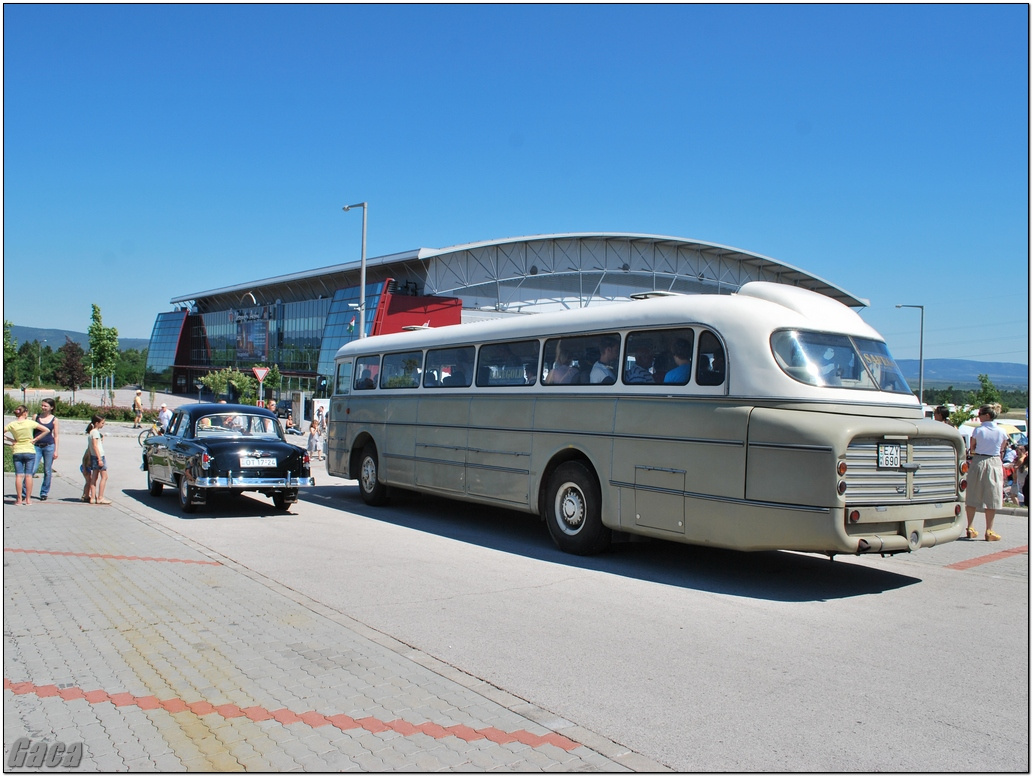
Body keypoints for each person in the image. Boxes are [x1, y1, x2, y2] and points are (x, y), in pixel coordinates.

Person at [964, 404, 1009, 541]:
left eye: (980, 414)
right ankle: (989, 529)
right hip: (994, 461)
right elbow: (1002, 448)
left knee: (972, 493)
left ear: (986, 415)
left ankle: (970, 526)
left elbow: (972, 447)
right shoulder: (1001, 431)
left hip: (978, 460)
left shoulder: (978, 431)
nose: (978, 416)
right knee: (992, 496)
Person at [4, 406, 51, 506]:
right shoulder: (30, 423)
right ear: (25, 413)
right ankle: (28, 499)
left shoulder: (12, 424)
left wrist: (11, 440)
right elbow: (46, 430)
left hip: (17, 450)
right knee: (29, 475)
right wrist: (36, 439)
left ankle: (19, 499)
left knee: (18, 475)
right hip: (29, 450)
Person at [30, 398, 60, 502]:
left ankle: (44, 492)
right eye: (42, 405)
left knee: (47, 470)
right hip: (36, 446)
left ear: (51, 407)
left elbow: (56, 436)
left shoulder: (54, 419)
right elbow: (30, 430)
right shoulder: (36, 417)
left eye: (45, 406)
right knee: (32, 469)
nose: (43, 408)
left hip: (49, 446)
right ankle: (25, 492)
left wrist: (56, 450)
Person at [86, 415, 111, 505]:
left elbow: (90, 447)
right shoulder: (95, 432)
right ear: (97, 423)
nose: (103, 425)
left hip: (93, 456)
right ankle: (100, 497)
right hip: (99, 456)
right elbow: (95, 446)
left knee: (94, 477)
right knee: (104, 477)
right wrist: (100, 459)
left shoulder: (91, 432)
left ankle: (93, 497)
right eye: (102, 423)